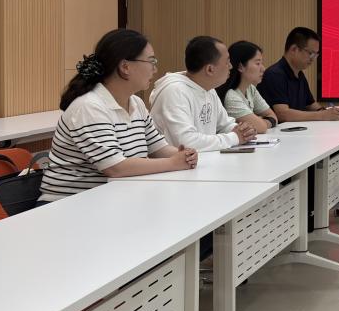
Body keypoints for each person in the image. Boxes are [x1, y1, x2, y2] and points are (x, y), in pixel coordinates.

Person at [39, 29, 198, 202]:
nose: (155, 69)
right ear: (125, 67)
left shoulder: (135, 103)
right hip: (68, 204)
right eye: (151, 61)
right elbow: (115, 167)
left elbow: (157, 148)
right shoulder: (89, 106)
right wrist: (173, 163)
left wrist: (184, 155)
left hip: (113, 199)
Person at [150, 36, 257, 151]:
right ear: (210, 69)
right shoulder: (174, 91)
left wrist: (243, 131)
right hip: (178, 161)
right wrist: (234, 137)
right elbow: (186, 142)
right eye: (227, 62)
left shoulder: (208, 88)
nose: (231, 66)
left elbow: (223, 124)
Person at [258, 27, 339, 123]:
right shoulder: (274, 74)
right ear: (294, 49)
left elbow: (310, 104)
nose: (313, 59)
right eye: (310, 53)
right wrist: (322, 115)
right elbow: (282, 114)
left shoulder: (299, 74)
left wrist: (327, 112)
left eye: (316, 55)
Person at [216, 41, 277, 135]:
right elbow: (261, 127)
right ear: (241, 67)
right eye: (258, 63)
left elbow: (272, 116)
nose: (263, 68)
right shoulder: (231, 96)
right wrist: (262, 121)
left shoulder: (250, 89)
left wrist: (260, 120)